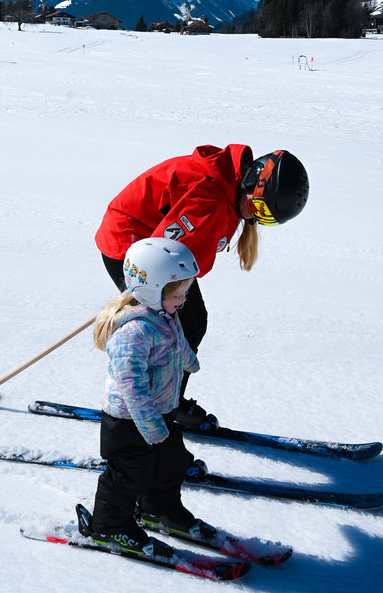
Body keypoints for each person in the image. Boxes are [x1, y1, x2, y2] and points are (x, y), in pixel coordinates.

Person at [95, 145, 309, 428]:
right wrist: (143, 292)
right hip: (133, 246)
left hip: (164, 252)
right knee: (160, 329)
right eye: (258, 208)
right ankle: (147, 405)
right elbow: (160, 250)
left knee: (193, 322)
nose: (255, 218)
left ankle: (170, 400)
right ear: (249, 182)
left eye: (266, 218)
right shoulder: (207, 197)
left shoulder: (229, 189)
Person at [87, 237, 212, 556]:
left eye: (186, 291)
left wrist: (188, 360)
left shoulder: (165, 314)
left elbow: (178, 339)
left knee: (169, 466)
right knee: (128, 476)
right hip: (129, 421)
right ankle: (109, 526)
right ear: (150, 290)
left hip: (162, 412)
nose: (184, 299)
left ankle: (159, 509)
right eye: (178, 293)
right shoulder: (133, 332)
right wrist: (150, 426)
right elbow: (132, 388)